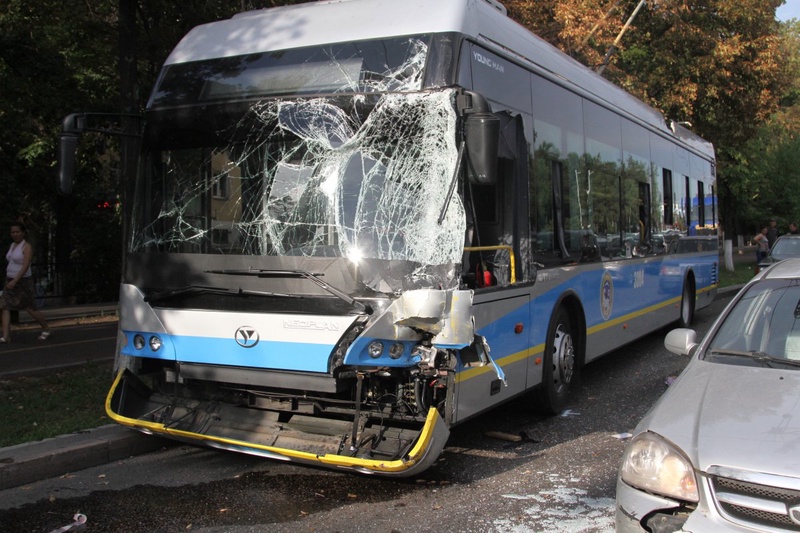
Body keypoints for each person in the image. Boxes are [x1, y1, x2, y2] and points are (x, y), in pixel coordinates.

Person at [1, 222, 51, 343]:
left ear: (23, 233)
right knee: (5, 306)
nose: (15, 234)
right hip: (10, 279)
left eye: (17, 232)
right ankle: (6, 335)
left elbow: (25, 266)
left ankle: (46, 328)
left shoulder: (27, 246)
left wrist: (15, 280)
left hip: (22, 281)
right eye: (13, 232)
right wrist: (10, 279)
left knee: (29, 308)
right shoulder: (12, 245)